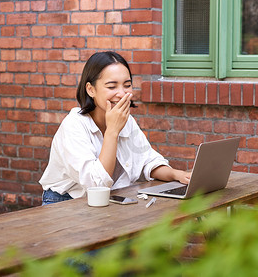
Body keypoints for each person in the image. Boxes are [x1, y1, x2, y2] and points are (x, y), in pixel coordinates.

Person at [39, 51, 190, 205]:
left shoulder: (127, 120)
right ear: (91, 89)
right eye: (112, 86)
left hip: (114, 200)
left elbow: (147, 160)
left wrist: (175, 174)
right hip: (66, 203)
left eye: (127, 85)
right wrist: (112, 131)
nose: (122, 93)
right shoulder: (74, 125)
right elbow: (96, 185)